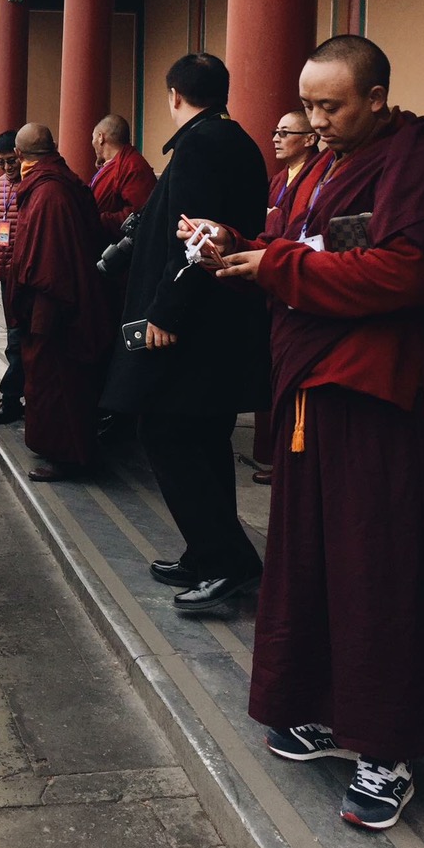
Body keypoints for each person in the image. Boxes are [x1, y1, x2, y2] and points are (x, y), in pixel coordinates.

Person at [201, 35, 424, 831]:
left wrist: (276, 268)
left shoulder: (417, 163)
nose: (315, 122)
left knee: (375, 566)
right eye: (308, 107)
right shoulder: (329, 170)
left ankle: (387, 748)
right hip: (315, 388)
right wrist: (241, 250)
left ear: (377, 96)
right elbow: (328, 251)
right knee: (310, 558)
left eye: (330, 107)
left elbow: (403, 271)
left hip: (376, 400)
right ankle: (319, 707)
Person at [101, 53, 269, 615]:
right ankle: (206, 551)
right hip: (221, 319)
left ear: (174, 95)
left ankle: (229, 561)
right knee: (203, 437)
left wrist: (166, 315)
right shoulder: (237, 141)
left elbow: (191, 239)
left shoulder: (200, 145)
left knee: (166, 433)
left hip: (193, 325)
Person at [7, 124, 111, 481]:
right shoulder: (57, 181)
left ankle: (68, 457)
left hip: (56, 306)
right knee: (57, 382)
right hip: (67, 296)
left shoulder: (49, 192)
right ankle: (64, 450)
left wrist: (40, 312)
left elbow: (50, 262)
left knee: (58, 383)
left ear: (20, 156)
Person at [251, 111, 320, 482]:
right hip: (274, 283)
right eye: (274, 131)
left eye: (285, 132)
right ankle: (277, 454)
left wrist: (273, 220)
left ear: (310, 139)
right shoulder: (280, 178)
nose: (276, 138)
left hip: (298, 282)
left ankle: (290, 461)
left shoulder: (319, 175)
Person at [0, 130, 25, 426]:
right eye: (1, 163)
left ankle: (12, 397)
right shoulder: (0, 185)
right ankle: (12, 396)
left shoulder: (31, 183)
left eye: (11, 161)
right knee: (13, 331)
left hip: (24, 267)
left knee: (19, 335)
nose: (7, 168)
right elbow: (0, 224)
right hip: (4, 268)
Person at [90, 114, 156, 239]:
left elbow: (140, 212)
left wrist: (99, 219)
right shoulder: (113, 165)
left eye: (93, 137)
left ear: (100, 137)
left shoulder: (132, 165)